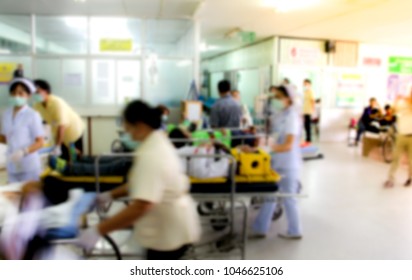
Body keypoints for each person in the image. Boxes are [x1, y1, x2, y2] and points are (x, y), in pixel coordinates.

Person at [76, 100, 201, 260]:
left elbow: (141, 206)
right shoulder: (154, 141)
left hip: (168, 231)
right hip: (170, 226)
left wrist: (98, 230)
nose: (127, 132)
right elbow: (140, 183)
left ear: (140, 125)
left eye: (128, 127)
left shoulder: (152, 154)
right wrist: (108, 196)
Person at [250, 85, 302, 239]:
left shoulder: (292, 117)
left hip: (288, 164)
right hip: (277, 161)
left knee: (288, 198)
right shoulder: (281, 114)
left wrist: (268, 149)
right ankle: (260, 228)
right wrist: (261, 136)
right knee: (270, 195)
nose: (276, 101)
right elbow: (273, 133)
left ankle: (295, 231)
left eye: (278, 97)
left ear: (288, 98)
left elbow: (287, 145)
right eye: (274, 97)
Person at [0, 78, 44, 183]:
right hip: (12, 165)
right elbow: (4, 138)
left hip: (28, 166)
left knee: (29, 197)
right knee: (13, 196)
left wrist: (24, 152)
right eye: (14, 93)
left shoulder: (32, 115)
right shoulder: (6, 114)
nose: (16, 96)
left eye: (21, 93)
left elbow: (40, 142)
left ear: (28, 96)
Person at [33, 80, 85, 162]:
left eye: (38, 92)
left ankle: (78, 164)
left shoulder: (57, 103)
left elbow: (62, 126)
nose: (36, 95)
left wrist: (58, 146)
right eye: (34, 93)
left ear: (46, 91)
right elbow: (32, 119)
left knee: (74, 160)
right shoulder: (38, 105)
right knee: (63, 159)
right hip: (60, 134)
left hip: (73, 131)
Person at [384, 93, 412, 188]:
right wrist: (396, 101)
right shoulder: (402, 104)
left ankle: (410, 178)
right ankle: (390, 179)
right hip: (401, 136)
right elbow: (392, 112)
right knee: (396, 158)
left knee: (411, 161)